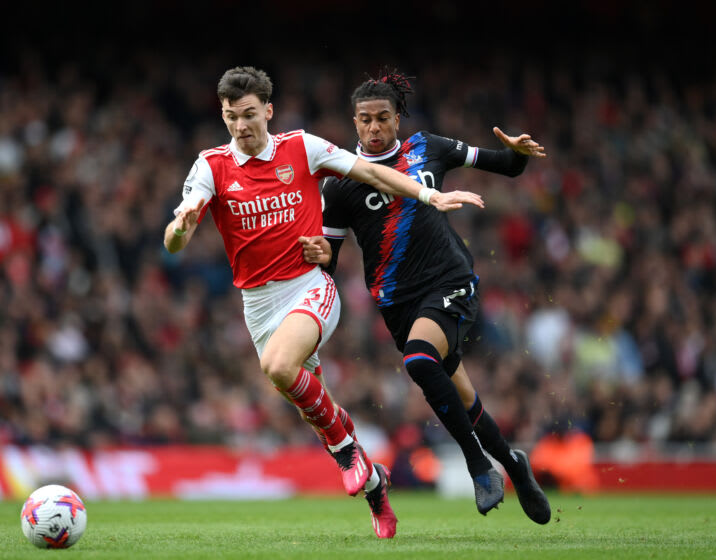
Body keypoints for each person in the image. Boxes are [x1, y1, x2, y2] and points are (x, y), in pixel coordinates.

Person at [164, 66, 486, 539]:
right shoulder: (210, 166)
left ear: (268, 111)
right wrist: (183, 225)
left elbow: (371, 171)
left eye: (250, 115)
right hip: (258, 303)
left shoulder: (302, 147)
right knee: (307, 399)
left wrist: (425, 193)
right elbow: (173, 242)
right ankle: (374, 483)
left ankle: (348, 453)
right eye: (232, 117)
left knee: (278, 366)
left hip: (309, 286)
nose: (241, 126)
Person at [300, 70, 551, 524]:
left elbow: (507, 166)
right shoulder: (338, 184)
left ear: (398, 118)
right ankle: (513, 464)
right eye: (364, 121)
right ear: (353, 123)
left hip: (449, 280)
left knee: (419, 360)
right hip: (397, 303)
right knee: (463, 399)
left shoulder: (428, 148)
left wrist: (517, 153)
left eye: (382, 118)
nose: (373, 129)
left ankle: (479, 465)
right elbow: (329, 261)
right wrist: (318, 252)